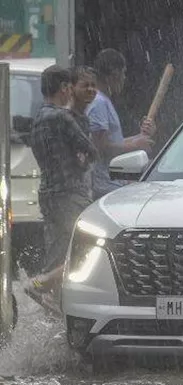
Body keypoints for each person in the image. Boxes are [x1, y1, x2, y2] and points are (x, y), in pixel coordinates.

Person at [25, 65, 98, 305]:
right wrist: (82, 159)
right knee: (90, 248)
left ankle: (52, 305)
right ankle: (41, 282)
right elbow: (90, 150)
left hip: (48, 194)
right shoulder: (62, 117)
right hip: (71, 195)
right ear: (65, 88)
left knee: (57, 252)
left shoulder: (38, 119)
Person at [87, 49, 154, 199]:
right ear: (114, 74)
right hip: (105, 186)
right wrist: (136, 146)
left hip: (113, 183)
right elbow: (101, 149)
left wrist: (141, 136)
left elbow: (114, 142)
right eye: (123, 73)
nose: (124, 78)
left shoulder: (103, 100)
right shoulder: (98, 103)